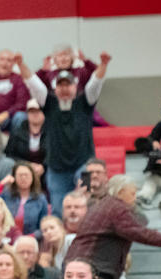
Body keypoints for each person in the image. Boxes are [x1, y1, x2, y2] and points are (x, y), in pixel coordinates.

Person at [16, 51, 109, 216]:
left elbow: (96, 83)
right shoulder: (49, 103)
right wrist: (21, 64)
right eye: (61, 85)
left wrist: (103, 65)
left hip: (84, 166)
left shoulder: (85, 102)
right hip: (56, 168)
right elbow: (33, 84)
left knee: (87, 203)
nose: (65, 89)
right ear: (55, 88)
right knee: (59, 211)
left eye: (68, 85)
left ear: (75, 86)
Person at [67, 177, 161, 279]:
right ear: (120, 192)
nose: (135, 198)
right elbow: (141, 233)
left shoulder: (105, 205)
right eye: (132, 193)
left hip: (84, 265)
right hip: (93, 268)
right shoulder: (117, 208)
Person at [0, 162, 49, 234]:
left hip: (30, 240)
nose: (23, 178)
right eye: (20, 175)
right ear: (14, 177)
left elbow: (43, 227)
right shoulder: (6, 195)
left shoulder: (40, 199)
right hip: (6, 237)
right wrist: (2, 183)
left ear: (33, 177)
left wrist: (31, 238)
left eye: (26, 175)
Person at [4, 99, 46, 180]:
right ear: (27, 113)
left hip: (46, 171)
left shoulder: (52, 132)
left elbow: (57, 154)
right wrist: (27, 165)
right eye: (31, 111)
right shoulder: (17, 132)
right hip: (22, 169)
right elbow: (9, 155)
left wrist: (43, 166)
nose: (35, 114)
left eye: (38, 110)